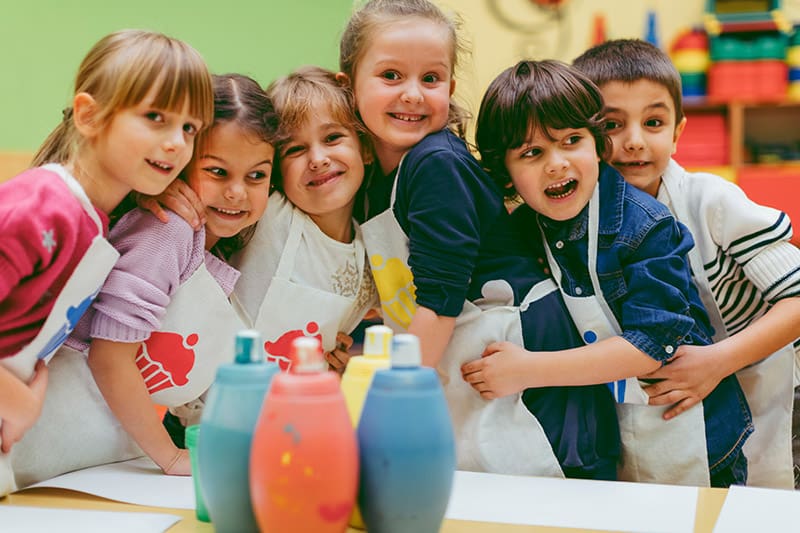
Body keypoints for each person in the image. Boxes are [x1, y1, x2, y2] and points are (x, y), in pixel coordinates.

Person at [337, 0, 620, 479]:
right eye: (390, 76)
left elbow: (442, 300)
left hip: (524, 350)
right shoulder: (370, 172)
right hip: (468, 353)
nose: (412, 94)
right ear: (348, 86)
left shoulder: (435, 164)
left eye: (431, 79)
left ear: (449, 86)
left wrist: (389, 408)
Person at [465, 59, 753, 488]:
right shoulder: (527, 227)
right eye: (531, 153)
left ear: (599, 145)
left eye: (571, 141)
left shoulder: (646, 228)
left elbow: (650, 346)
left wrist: (527, 370)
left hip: (700, 438)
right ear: (505, 173)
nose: (556, 164)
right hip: (621, 432)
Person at [572, 39, 800, 488]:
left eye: (653, 122)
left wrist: (716, 362)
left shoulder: (710, 200)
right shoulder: (583, 214)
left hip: (773, 385)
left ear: (677, 131)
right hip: (687, 404)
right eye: (613, 124)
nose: (634, 141)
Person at [1, 29, 212, 493]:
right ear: (88, 115)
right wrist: (18, 400)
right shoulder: (43, 207)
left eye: (189, 128)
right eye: (155, 117)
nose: (177, 142)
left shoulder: (93, 219)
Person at [142, 66, 380, 379]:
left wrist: (339, 358)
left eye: (333, 138)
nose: (318, 159)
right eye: (295, 149)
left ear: (365, 148)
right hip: (196, 409)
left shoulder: (373, 256)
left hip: (281, 417)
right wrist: (157, 187)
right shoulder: (265, 213)